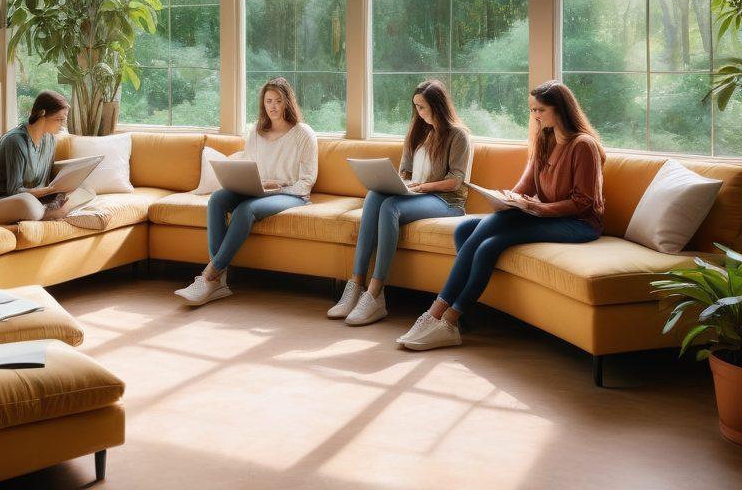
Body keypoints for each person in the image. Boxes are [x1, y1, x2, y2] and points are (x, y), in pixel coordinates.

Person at [399, 80, 605, 351]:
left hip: (578, 224)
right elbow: (525, 186)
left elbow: (583, 202)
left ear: (561, 109)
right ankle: (457, 313)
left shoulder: (583, 145)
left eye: (541, 110)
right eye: (533, 110)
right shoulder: (544, 139)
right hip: (545, 215)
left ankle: (442, 316)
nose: (536, 116)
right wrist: (508, 198)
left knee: (488, 242)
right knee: (465, 231)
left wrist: (539, 208)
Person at [329, 79, 472, 326]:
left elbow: (455, 181)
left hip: (446, 201)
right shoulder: (417, 132)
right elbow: (405, 172)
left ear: (438, 106)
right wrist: (398, 183)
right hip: (417, 194)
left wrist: (420, 186)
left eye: (423, 107)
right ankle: (355, 283)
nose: (419, 112)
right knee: (375, 195)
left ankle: (375, 292)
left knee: (390, 207)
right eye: (416, 106)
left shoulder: (458, 135)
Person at [175, 77, 318, 306]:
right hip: (259, 189)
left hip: (292, 195)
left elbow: (307, 182)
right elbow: (248, 168)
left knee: (245, 210)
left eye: (278, 101)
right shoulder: (256, 131)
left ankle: (211, 274)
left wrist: (274, 188)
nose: (272, 106)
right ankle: (219, 282)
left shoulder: (304, 134)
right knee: (218, 198)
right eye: (268, 101)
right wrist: (257, 185)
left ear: (287, 103)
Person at [0, 90, 110, 230]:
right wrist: (50, 190)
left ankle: (56, 212)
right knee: (29, 204)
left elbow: (45, 181)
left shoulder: (50, 139)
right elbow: (14, 191)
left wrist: (60, 192)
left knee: (87, 190)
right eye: (59, 119)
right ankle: (60, 213)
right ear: (42, 114)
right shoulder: (15, 141)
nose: (62, 125)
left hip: (37, 200)